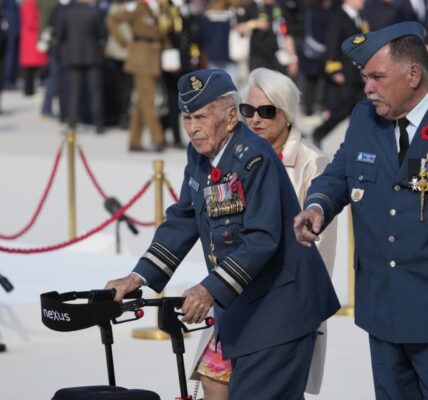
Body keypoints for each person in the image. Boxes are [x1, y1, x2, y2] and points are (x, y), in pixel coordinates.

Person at [105, 68, 340, 400]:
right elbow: (184, 217)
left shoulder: (255, 156)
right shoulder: (201, 154)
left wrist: (207, 290)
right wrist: (138, 277)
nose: (192, 128)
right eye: (187, 117)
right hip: (245, 307)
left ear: (231, 116)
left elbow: (261, 239)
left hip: (281, 310)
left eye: (200, 117)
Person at [294, 21, 428, 399]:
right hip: (382, 307)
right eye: (365, 78)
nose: (367, 87)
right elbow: (339, 174)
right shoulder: (365, 119)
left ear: (413, 74)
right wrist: (318, 206)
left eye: (377, 77)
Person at [189, 67, 338, 399]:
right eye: (248, 110)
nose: (255, 119)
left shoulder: (311, 162)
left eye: (266, 111)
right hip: (234, 294)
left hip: (281, 302)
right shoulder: (229, 153)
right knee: (215, 383)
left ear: (286, 115)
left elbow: (319, 247)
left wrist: (308, 317)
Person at [106, 0, 169, 152]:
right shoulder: (137, 7)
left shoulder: (157, 10)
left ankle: (135, 140)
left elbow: (161, 35)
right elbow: (112, 19)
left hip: (153, 58)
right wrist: (123, 41)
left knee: (142, 102)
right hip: (140, 58)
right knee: (149, 99)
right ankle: (157, 137)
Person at [311, 0, 368, 148]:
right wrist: (334, 70)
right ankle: (319, 133)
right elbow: (332, 44)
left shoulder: (359, 17)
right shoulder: (338, 17)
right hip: (345, 75)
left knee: (359, 113)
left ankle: (357, 145)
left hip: (357, 75)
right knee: (341, 110)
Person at [56, 0, 106, 133]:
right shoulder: (95, 12)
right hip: (92, 56)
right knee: (95, 91)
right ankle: (98, 124)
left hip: (73, 56)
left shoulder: (67, 13)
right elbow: (102, 34)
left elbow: (60, 34)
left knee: (74, 91)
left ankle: (72, 122)